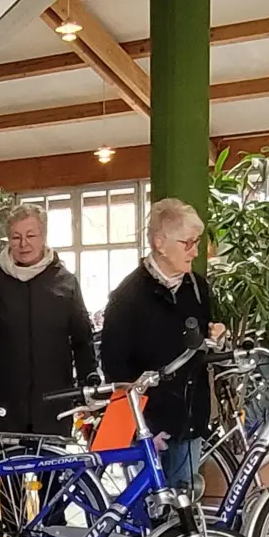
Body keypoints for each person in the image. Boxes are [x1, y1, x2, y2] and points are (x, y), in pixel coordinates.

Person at [101, 199, 219, 490]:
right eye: (187, 243)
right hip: (149, 425)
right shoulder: (127, 298)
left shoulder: (199, 287)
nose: (195, 251)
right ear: (159, 243)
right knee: (150, 512)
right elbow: (115, 369)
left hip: (191, 417)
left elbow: (204, 338)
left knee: (186, 502)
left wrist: (216, 335)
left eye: (197, 242)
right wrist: (140, 431)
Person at [0, 202, 98, 436]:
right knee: (9, 466)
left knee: (52, 469)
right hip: (4, 401)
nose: (23, 244)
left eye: (30, 235)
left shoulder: (65, 282)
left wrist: (89, 380)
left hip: (53, 399)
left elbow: (81, 337)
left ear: (43, 236)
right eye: (16, 237)